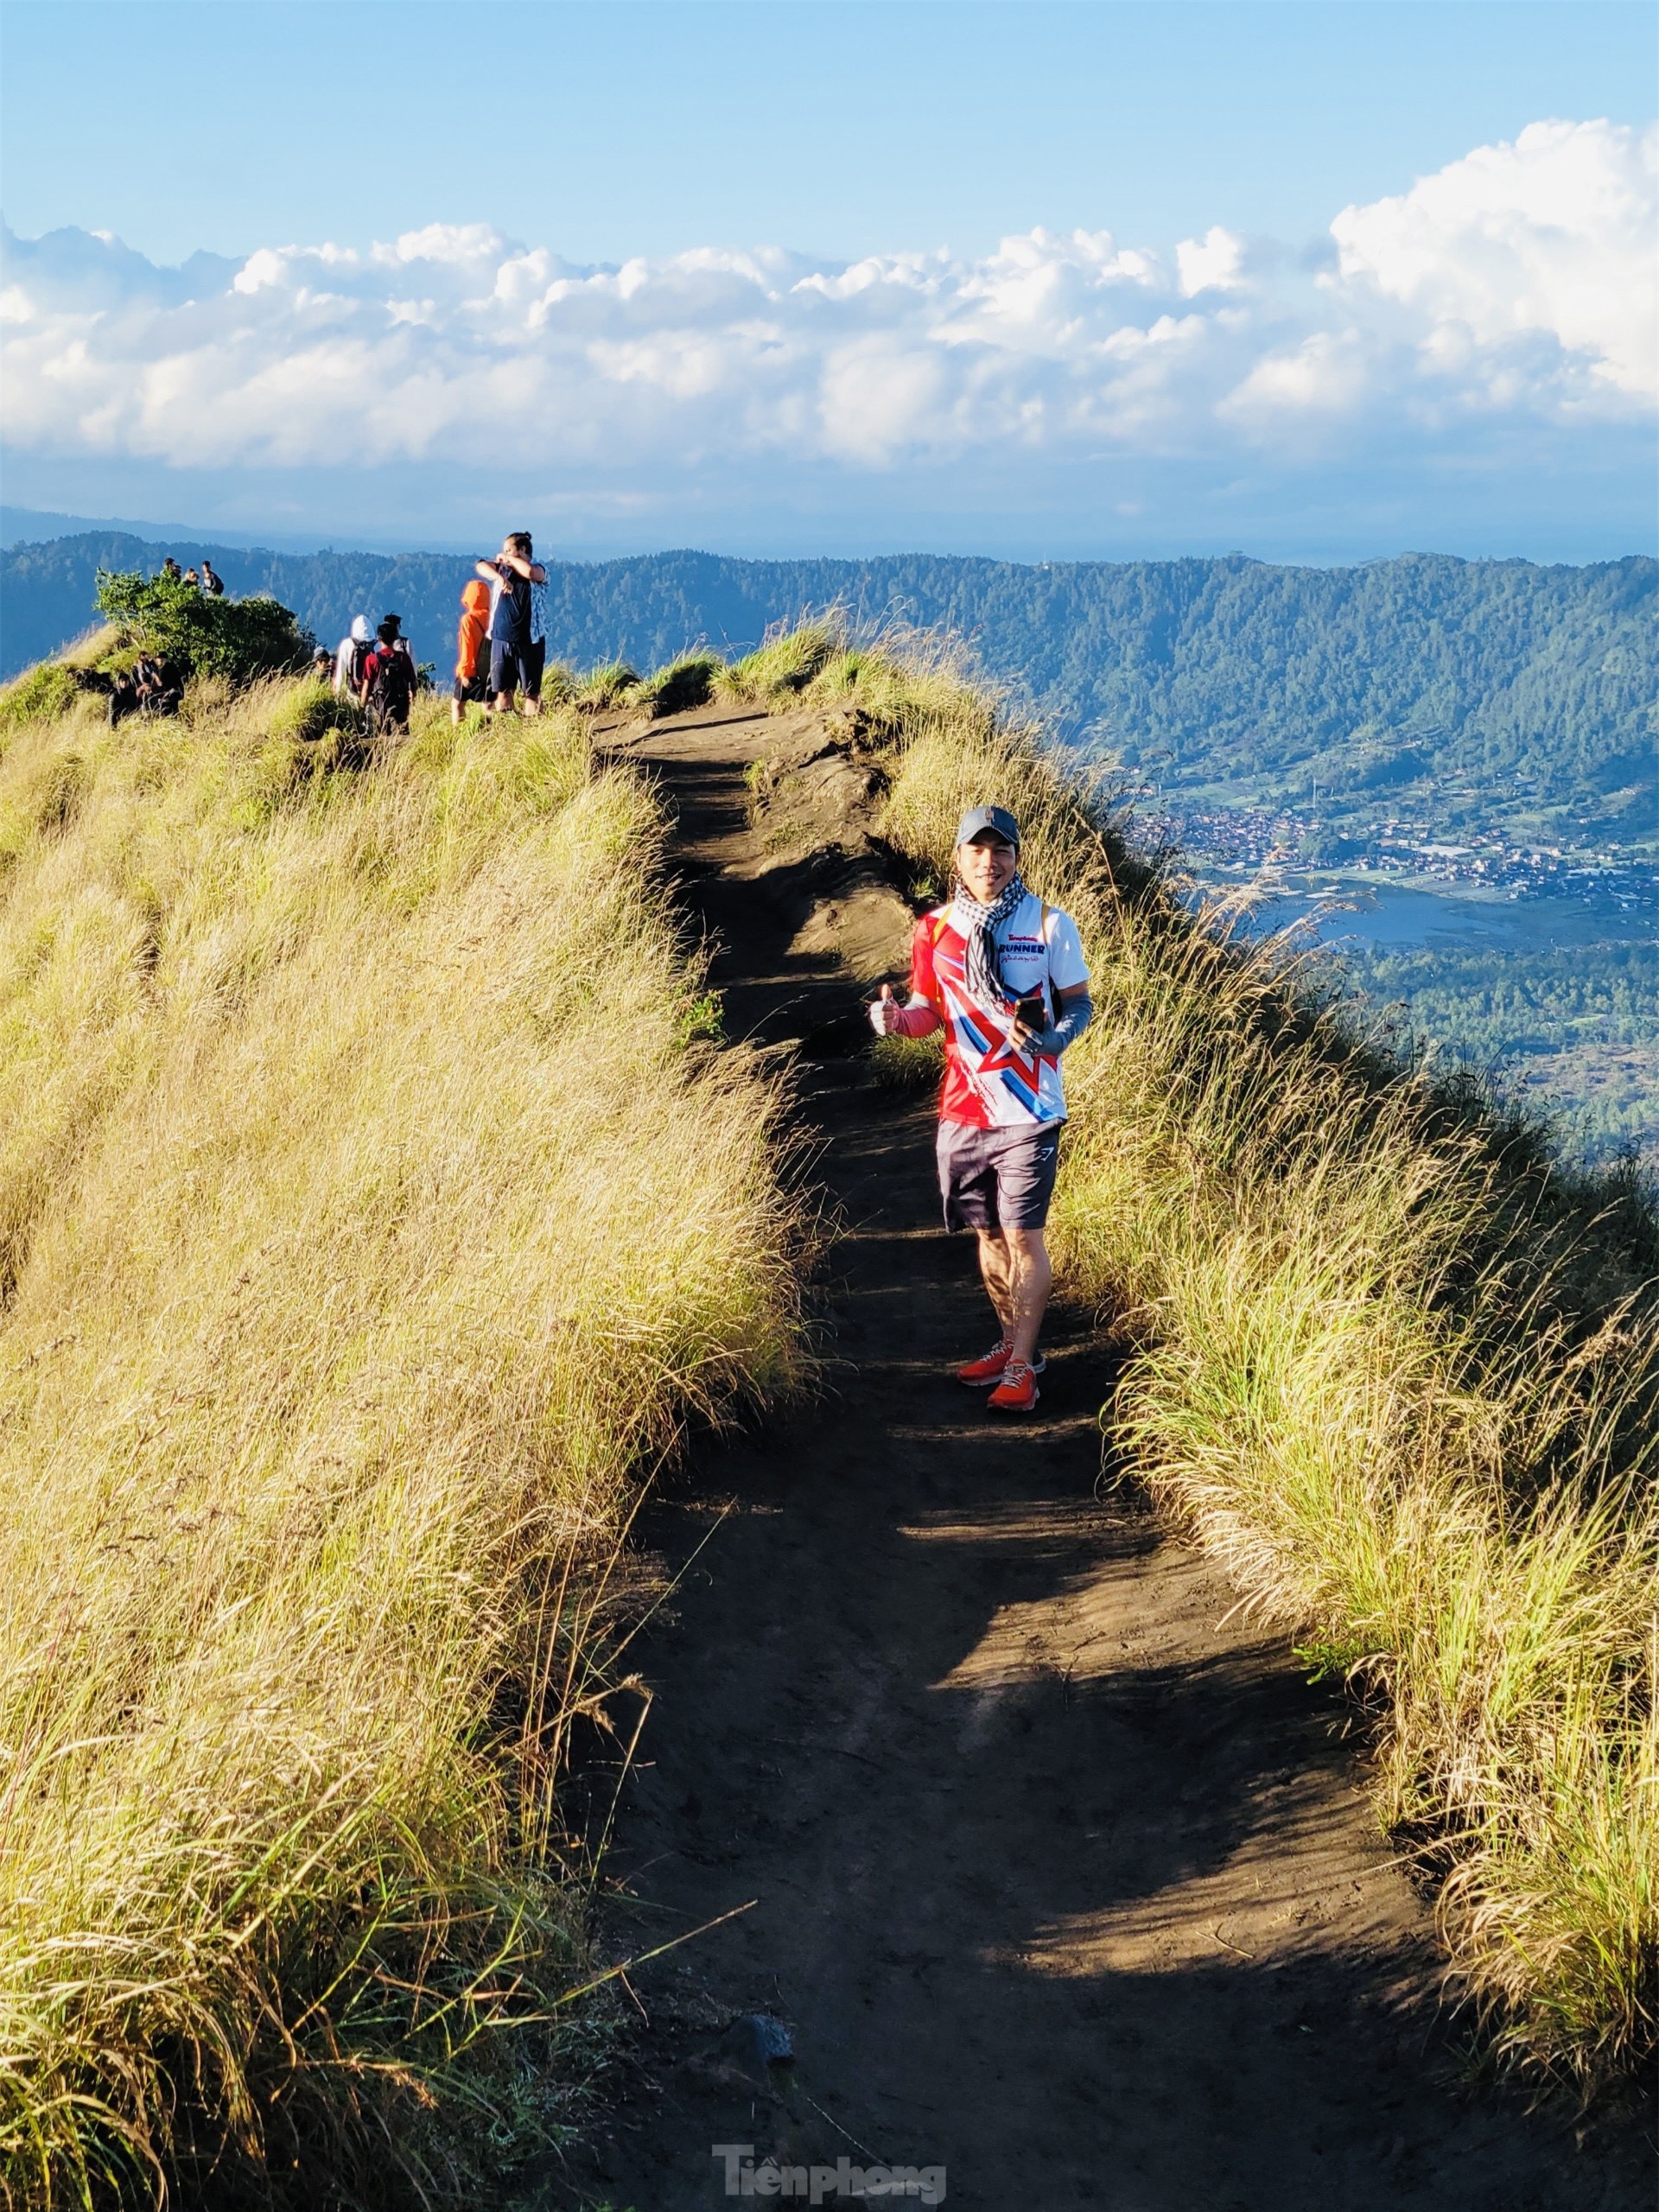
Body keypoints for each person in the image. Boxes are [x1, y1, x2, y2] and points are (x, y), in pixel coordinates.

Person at [869, 805, 1092, 1414]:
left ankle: (1022, 1367)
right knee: (988, 1233)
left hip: (1030, 1110)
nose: (989, 862)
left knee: (1023, 1235)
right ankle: (1012, 1343)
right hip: (963, 1111)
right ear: (959, 857)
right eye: (977, 850)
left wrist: (1054, 1040)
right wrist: (895, 1021)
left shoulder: (1048, 923)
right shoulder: (934, 929)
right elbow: (927, 1012)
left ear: (1017, 857)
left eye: (1001, 851)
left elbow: (1079, 1003)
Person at [476, 532, 547, 715]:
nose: (504, 554)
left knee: (532, 694)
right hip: (501, 638)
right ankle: (509, 727)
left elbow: (531, 573)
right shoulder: (502, 569)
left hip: (530, 640)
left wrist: (507, 559)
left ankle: (535, 727)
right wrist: (500, 577)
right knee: (503, 692)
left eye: (509, 550)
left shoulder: (540, 569)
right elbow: (481, 566)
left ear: (522, 550)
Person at [358, 615, 416, 734]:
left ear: (379, 639)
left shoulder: (371, 659)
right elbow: (413, 683)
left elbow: (366, 688)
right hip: (402, 709)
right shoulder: (404, 658)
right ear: (395, 638)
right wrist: (413, 703)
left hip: (380, 709)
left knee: (382, 738)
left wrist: (361, 709)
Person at [452, 578, 492, 723]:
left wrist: (465, 674)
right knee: (488, 703)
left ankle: (458, 732)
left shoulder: (468, 620)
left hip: (472, 670)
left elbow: (467, 648)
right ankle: (493, 731)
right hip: (489, 669)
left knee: (458, 704)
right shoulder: (493, 617)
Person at [334, 614, 373, 696]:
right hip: (373, 695)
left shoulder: (347, 644)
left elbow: (340, 673)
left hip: (353, 693)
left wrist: (337, 694)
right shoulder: (377, 645)